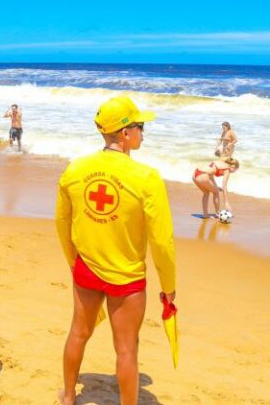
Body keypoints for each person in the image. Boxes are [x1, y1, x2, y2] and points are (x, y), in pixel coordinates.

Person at [55, 96, 176, 405]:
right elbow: (162, 240)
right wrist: (169, 286)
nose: (143, 133)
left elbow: (62, 222)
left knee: (78, 333)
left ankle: (68, 396)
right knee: (126, 348)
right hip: (127, 278)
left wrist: (74, 262)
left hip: (87, 269)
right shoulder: (147, 178)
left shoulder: (76, 169)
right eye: (140, 126)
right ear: (124, 133)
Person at [192, 152, 240, 219]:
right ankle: (218, 214)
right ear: (233, 166)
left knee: (206, 193)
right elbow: (224, 186)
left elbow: (211, 175)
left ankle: (205, 215)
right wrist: (226, 202)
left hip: (195, 174)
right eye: (235, 170)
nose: (234, 172)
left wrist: (216, 187)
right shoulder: (228, 169)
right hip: (203, 175)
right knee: (216, 192)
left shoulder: (220, 163)